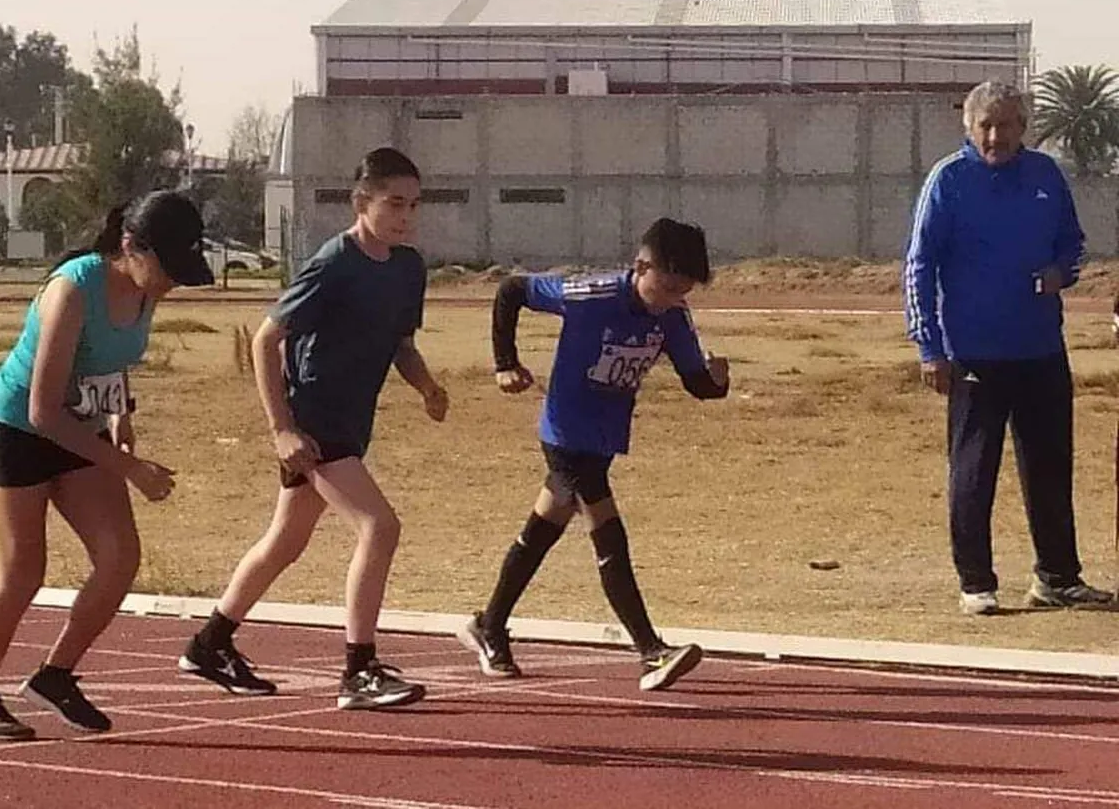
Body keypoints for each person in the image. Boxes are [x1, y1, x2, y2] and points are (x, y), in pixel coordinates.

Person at [179, 147, 447, 710]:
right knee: (380, 527)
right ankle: (359, 668)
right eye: (394, 203)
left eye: (414, 205)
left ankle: (210, 644)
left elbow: (402, 343)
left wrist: (425, 387)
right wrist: (282, 429)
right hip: (316, 424)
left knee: (285, 543)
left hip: (352, 421)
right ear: (361, 202)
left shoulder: (407, 268)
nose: (405, 216)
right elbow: (265, 340)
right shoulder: (333, 263)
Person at [0, 191, 214, 741]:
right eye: (168, 268)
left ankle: (55, 676)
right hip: (18, 429)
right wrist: (129, 468)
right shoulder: (73, 288)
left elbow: (110, 362)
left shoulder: (144, 290)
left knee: (119, 557)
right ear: (130, 246)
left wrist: (119, 418)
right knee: (23, 572)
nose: (172, 283)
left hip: (80, 429)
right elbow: (43, 410)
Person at [458, 217, 728, 691]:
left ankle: (489, 625)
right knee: (607, 528)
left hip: (604, 438)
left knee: (543, 527)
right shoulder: (590, 295)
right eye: (664, 286)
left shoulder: (672, 317)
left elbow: (697, 383)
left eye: (681, 291)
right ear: (641, 266)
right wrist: (505, 363)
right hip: (564, 431)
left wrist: (718, 381)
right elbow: (511, 290)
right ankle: (650, 650)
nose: (668, 299)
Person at [904, 80, 1113, 616]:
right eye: (986, 126)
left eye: (1006, 125)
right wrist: (929, 347)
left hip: (1041, 349)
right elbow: (919, 265)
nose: (996, 136)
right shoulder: (948, 181)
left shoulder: (1045, 175)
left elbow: (1074, 244)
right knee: (973, 473)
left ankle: (1058, 578)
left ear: (1024, 128)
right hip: (974, 355)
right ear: (969, 129)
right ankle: (976, 581)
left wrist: (1060, 273)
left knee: (1049, 468)